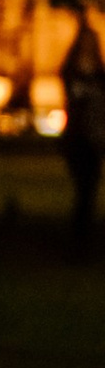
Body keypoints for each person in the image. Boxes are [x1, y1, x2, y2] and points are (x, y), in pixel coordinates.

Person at [63, 15, 105, 252]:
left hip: (95, 140)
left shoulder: (100, 78)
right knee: (83, 189)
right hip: (79, 141)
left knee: (90, 190)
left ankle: (84, 238)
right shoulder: (72, 76)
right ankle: (79, 239)